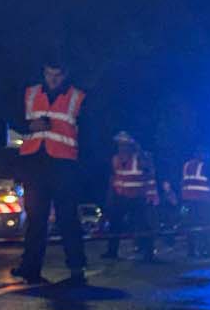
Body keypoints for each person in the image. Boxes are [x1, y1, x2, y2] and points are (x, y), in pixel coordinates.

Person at [13, 60, 87, 285]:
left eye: (57, 75)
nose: (53, 79)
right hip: (35, 163)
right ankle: (30, 268)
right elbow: (13, 118)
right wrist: (29, 126)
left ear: (65, 75)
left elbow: (88, 132)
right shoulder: (31, 93)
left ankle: (76, 269)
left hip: (64, 165)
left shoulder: (77, 97)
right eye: (49, 74)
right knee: (36, 218)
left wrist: (82, 166)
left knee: (67, 217)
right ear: (43, 73)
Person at [103, 129, 156, 261]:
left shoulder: (139, 157)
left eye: (124, 145)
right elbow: (113, 178)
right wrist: (110, 197)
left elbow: (148, 169)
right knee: (115, 225)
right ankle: (112, 251)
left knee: (143, 225)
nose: (121, 148)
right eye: (119, 145)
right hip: (121, 197)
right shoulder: (115, 158)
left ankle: (148, 253)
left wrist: (139, 149)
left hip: (137, 197)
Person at [179, 148, 210, 258]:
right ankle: (205, 249)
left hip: (188, 199)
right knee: (204, 226)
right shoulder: (206, 166)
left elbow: (182, 181)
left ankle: (191, 251)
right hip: (203, 200)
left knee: (191, 226)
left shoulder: (187, 165)